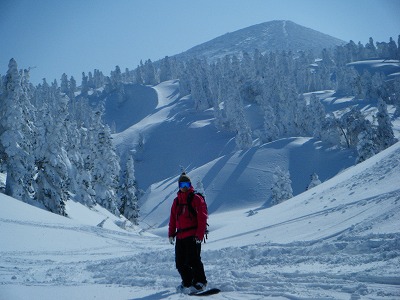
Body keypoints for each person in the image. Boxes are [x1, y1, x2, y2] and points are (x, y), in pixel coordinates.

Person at [168, 172, 208, 293]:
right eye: (182, 184)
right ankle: (187, 282)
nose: (184, 187)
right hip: (180, 236)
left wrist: (199, 235)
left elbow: (203, 217)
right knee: (180, 263)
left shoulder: (196, 198)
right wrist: (171, 234)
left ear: (189, 185)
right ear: (179, 186)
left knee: (194, 260)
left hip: (193, 236)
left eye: (186, 184)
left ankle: (201, 282)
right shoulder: (176, 201)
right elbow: (172, 219)